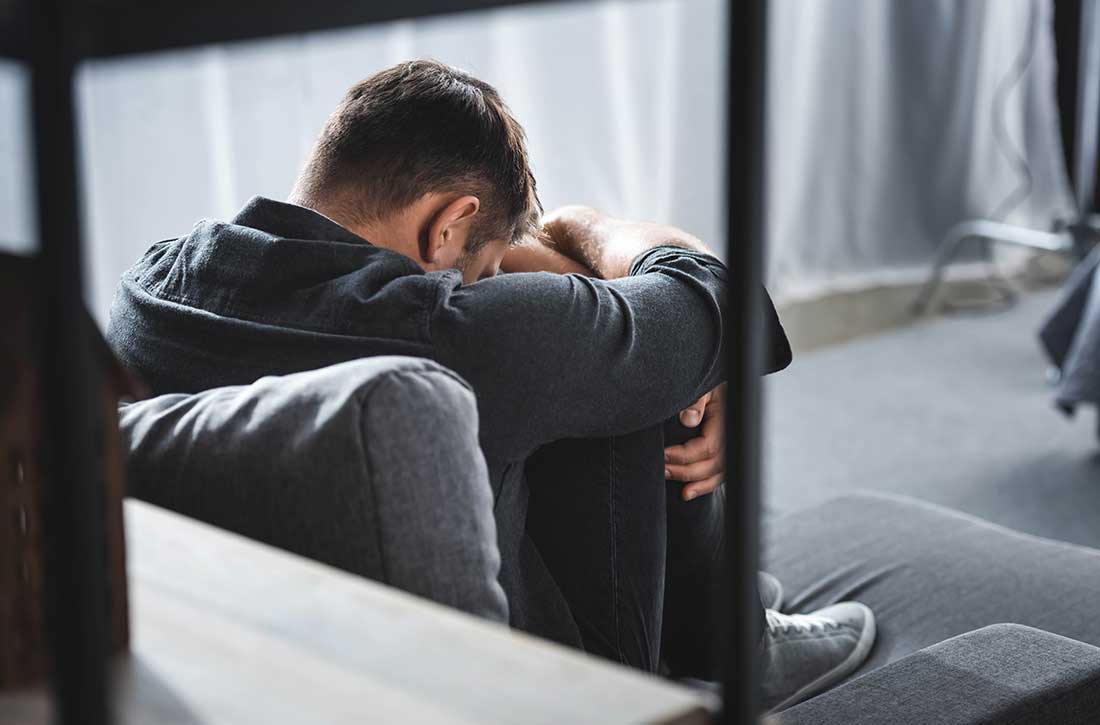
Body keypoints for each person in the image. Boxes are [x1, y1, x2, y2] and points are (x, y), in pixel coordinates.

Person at [106, 59, 874, 711]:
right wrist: (585, 225)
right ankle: (729, 639)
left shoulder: (150, 288)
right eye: (482, 263)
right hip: (539, 680)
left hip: (269, 663)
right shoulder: (454, 339)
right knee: (637, 353)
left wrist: (509, 255)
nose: (484, 284)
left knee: (596, 330)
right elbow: (713, 298)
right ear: (448, 225)